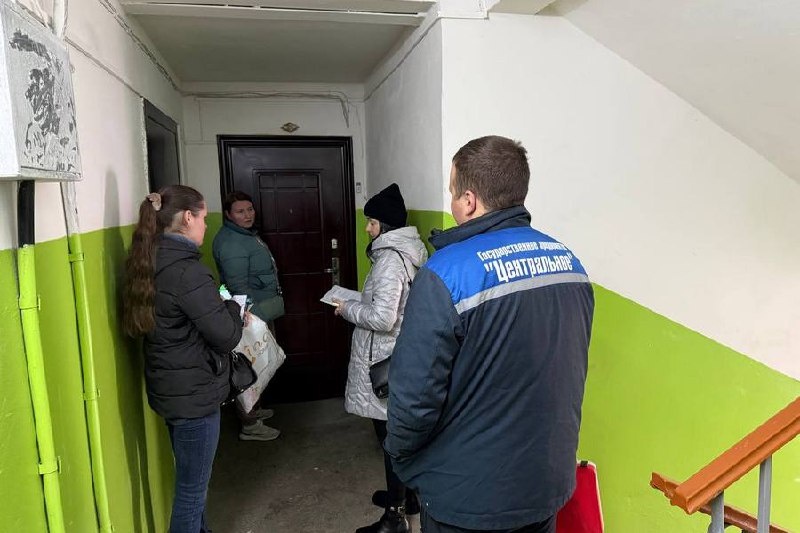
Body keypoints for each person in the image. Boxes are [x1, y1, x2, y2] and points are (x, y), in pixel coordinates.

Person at [385, 136, 595, 533]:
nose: (452, 202)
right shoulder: (569, 263)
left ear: (469, 201)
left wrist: (401, 457)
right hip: (544, 484)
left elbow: (413, 399)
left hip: (466, 499)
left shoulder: (445, 273)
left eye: (452, 192)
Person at [123, 185, 245, 533]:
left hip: (171, 387)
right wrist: (233, 307)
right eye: (204, 218)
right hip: (193, 394)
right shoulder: (187, 271)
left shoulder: (150, 257)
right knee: (191, 494)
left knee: (192, 485)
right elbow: (226, 335)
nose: (206, 225)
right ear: (188, 217)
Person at [334, 183, 428, 533]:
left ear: (385, 225)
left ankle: (395, 517)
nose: (367, 228)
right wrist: (358, 300)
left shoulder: (389, 260)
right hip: (396, 355)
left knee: (390, 441)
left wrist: (346, 309)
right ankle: (407, 497)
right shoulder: (404, 252)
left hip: (383, 361)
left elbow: (383, 318)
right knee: (397, 435)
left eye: (371, 222)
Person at [212, 191, 282, 441]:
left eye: (249, 209)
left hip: (259, 311)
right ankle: (250, 425)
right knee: (250, 367)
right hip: (251, 315)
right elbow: (238, 287)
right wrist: (251, 317)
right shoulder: (231, 243)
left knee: (259, 365)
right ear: (229, 214)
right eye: (240, 211)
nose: (247, 215)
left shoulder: (243, 235)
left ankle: (255, 411)